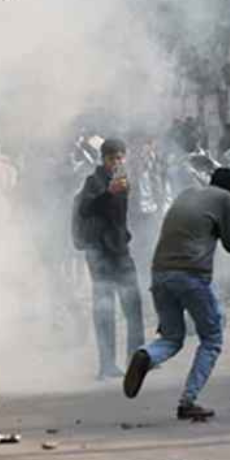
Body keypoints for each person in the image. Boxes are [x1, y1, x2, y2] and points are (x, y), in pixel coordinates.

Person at [123, 168, 230, 421]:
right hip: (191, 275)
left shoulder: (187, 193)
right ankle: (188, 400)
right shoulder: (225, 200)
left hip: (160, 273)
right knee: (212, 338)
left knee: (172, 337)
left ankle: (146, 354)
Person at [75, 137, 145, 380]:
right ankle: (106, 365)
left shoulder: (123, 181)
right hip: (100, 254)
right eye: (112, 158)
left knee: (133, 305)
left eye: (120, 157)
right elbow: (85, 208)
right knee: (105, 310)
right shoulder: (93, 182)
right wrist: (107, 193)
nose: (117, 162)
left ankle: (137, 358)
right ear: (103, 159)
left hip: (120, 251)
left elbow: (125, 215)